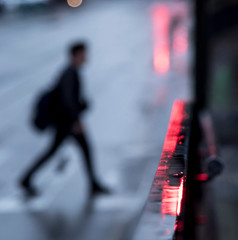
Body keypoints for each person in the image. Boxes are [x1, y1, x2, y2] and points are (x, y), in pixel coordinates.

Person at [20, 42, 107, 197]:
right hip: (66, 123)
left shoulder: (72, 72)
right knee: (77, 149)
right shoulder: (69, 73)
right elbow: (67, 101)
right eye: (83, 54)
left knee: (61, 151)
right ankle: (25, 179)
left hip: (65, 122)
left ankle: (26, 179)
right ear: (76, 55)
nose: (86, 57)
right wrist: (76, 120)